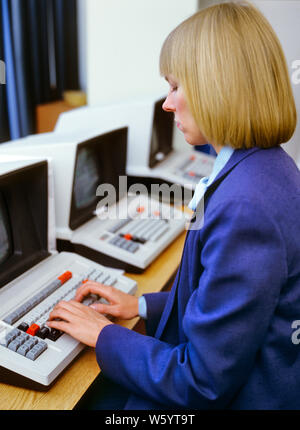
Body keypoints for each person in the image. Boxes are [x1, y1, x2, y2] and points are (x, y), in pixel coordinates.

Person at [47, 1, 300, 409]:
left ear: (218, 86)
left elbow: (200, 384)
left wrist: (104, 334)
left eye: (176, 86)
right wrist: (141, 304)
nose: (167, 104)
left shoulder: (246, 205)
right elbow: (226, 308)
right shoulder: (264, 170)